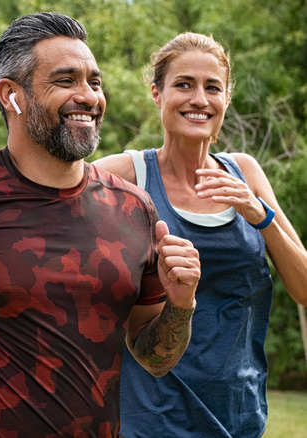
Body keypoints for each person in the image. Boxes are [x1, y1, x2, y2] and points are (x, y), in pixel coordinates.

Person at [0, 12, 202, 436]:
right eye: (65, 81)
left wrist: (182, 304)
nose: (88, 96)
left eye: (95, 82)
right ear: (12, 95)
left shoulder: (134, 208)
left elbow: (155, 358)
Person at [93, 32, 307, 438]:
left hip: (239, 414)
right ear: (157, 94)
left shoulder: (246, 172)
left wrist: (259, 214)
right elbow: (47, 202)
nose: (199, 99)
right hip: (149, 417)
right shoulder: (125, 175)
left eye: (213, 88)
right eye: (184, 84)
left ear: (227, 98)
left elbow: (305, 288)